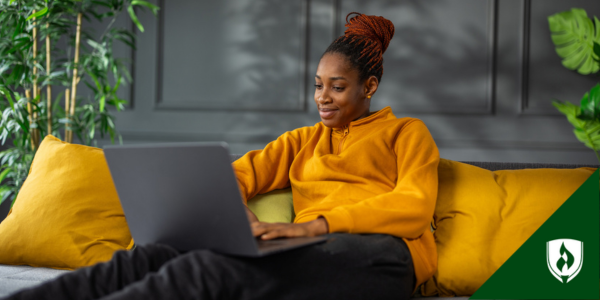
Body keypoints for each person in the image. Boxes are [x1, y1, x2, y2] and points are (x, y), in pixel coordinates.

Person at [4, 12, 439, 300]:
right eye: (317, 84)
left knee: (209, 270)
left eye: (337, 87)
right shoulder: (301, 140)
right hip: (312, 247)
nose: (322, 97)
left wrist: (311, 226)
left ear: (370, 86)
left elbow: (414, 207)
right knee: (153, 255)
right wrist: (240, 219)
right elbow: (230, 177)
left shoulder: (407, 133)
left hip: (383, 257)